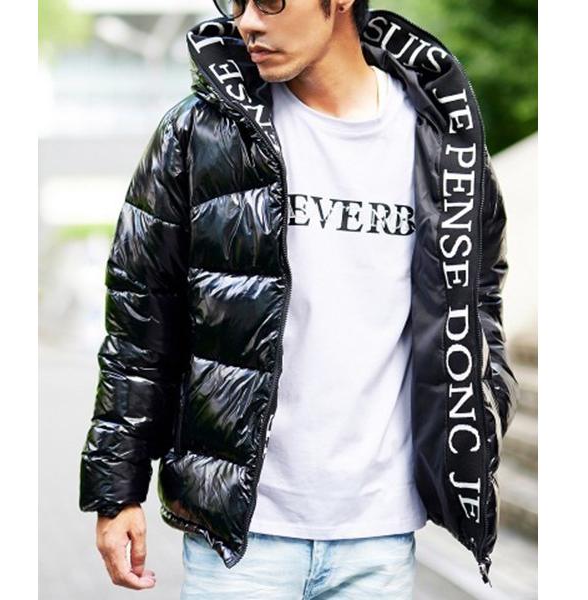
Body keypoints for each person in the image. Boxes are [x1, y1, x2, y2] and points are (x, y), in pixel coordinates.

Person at [79, 1, 520, 597]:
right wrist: (117, 491)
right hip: (241, 540)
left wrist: (485, 406)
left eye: (269, 1)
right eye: (236, 3)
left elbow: (477, 297)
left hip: (379, 533)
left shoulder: (441, 139)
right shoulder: (201, 133)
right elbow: (140, 317)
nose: (246, 22)